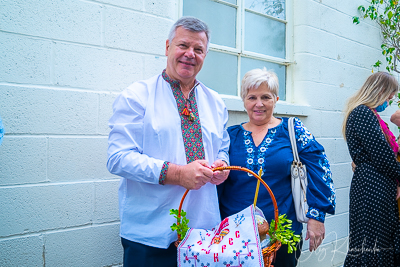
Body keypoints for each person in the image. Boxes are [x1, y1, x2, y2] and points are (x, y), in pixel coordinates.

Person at [107, 17, 230, 267]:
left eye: (198, 49)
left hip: (204, 233)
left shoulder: (216, 102)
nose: (190, 54)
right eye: (183, 45)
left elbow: (223, 147)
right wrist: (177, 173)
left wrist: (222, 166)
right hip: (150, 235)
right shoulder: (136, 96)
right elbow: (117, 159)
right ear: (167, 47)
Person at [217, 68, 336, 267]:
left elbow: (320, 168)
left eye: (266, 97)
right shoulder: (229, 135)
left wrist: (317, 215)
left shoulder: (292, 130)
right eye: (252, 97)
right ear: (243, 100)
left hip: (281, 234)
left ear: (276, 99)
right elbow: (216, 181)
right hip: (233, 234)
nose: (259, 104)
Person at [342, 72, 400, 266]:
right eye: (389, 95)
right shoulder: (362, 113)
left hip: (379, 186)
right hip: (371, 187)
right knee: (372, 244)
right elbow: (383, 156)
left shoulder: (371, 115)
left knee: (381, 242)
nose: (389, 100)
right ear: (380, 90)